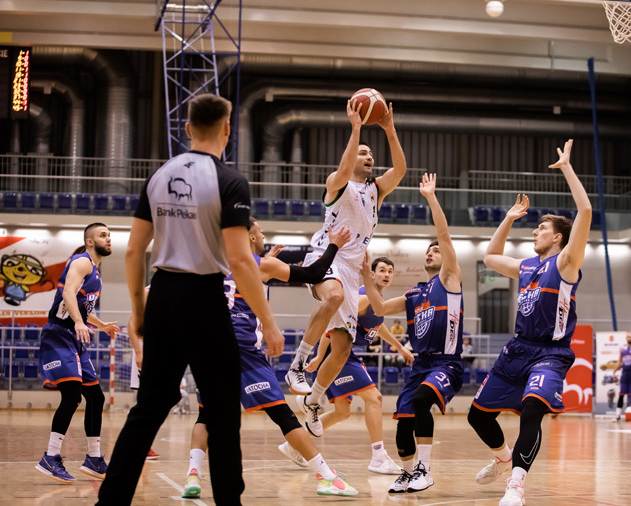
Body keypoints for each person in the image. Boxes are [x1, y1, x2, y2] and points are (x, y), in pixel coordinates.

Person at [97, 94, 284, 506]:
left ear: (187, 129)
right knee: (222, 411)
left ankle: (110, 500)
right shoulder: (230, 181)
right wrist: (268, 321)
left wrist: (139, 310)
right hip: (204, 298)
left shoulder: (159, 175)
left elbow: (134, 251)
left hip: (163, 293)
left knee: (149, 406)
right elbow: (240, 260)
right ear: (227, 129)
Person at [182, 218, 356, 498]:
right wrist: (333, 245)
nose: (263, 236)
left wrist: (268, 266)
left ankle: (192, 474)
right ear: (250, 237)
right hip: (242, 349)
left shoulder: (212, 264)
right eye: (260, 232)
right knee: (282, 415)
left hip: (207, 347)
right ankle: (326, 477)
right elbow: (314, 273)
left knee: (206, 414)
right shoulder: (258, 264)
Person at [468, 139, 592, 506]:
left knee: (533, 409)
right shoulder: (525, 266)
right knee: (477, 416)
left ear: (557, 237)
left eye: (540, 227)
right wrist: (508, 219)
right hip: (517, 349)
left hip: (550, 353)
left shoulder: (566, 263)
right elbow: (490, 257)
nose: (534, 231)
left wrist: (567, 167)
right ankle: (503, 458)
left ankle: (516, 485)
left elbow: (585, 211)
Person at [287, 98, 406, 438]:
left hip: (353, 269)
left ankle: (313, 399)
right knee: (334, 296)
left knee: (341, 348)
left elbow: (400, 170)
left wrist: (389, 129)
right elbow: (342, 171)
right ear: (352, 157)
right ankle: (297, 366)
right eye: (363, 153)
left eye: (371, 154)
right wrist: (356, 129)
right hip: (327, 255)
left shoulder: (376, 190)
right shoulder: (337, 183)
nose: (369, 157)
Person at [360, 173, 464, 494]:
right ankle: (407, 474)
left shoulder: (449, 279)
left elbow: (444, 235)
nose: (432, 252)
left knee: (421, 400)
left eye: (436, 250)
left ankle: (424, 469)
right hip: (420, 364)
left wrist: (431, 197)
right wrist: (365, 274)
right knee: (403, 422)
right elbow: (378, 305)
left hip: (446, 363)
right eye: (429, 251)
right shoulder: (414, 294)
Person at [295, 256, 414, 476]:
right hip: (339, 353)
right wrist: (319, 356)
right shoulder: (362, 297)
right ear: (371, 274)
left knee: (342, 412)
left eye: (390, 271)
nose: (386, 274)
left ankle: (294, 445)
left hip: (346, 353)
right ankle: (378, 457)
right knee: (375, 398)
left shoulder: (374, 300)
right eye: (382, 270)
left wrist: (399, 347)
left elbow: (378, 325)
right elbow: (333, 320)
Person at [36, 225, 120, 483]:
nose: (108, 238)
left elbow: (82, 308)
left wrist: (99, 324)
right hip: (59, 334)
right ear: (89, 241)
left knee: (95, 397)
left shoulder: (96, 274)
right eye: (103, 235)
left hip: (74, 337)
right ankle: (50, 456)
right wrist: (79, 322)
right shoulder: (82, 261)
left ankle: (93, 459)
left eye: (109, 235)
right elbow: (67, 293)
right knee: (72, 395)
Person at [126, 286, 160, 461]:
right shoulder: (148, 291)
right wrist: (139, 352)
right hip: (145, 348)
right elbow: (131, 323)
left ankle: (141, 443)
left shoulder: (174, 289)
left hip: (160, 349)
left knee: (161, 399)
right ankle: (139, 445)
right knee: (146, 400)